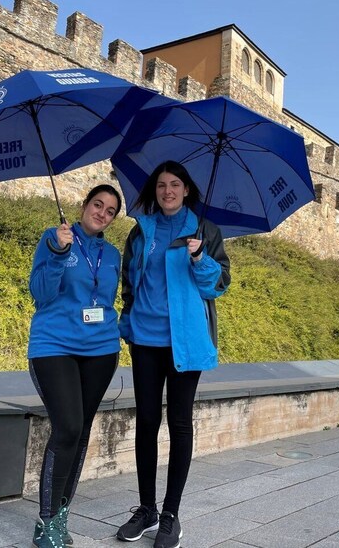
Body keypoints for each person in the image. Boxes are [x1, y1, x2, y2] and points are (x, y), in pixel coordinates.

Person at [115, 161, 230, 548]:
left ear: (186, 190)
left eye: (175, 184)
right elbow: (129, 281)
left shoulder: (204, 231)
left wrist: (200, 258)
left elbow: (218, 286)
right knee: (147, 421)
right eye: (161, 185)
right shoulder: (140, 231)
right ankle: (146, 509)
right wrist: (127, 321)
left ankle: (171, 515)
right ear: (154, 190)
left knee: (179, 423)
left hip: (186, 341)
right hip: (145, 339)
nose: (168, 191)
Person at [27, 184, 123, 548]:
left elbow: (110, 298)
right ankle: (47, 521)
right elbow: (40, 293)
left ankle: (63, 512)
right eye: (97, 204)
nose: (102, 212)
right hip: (54, 346)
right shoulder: (54, 239)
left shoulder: (112, 254)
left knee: (81, 431)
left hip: (100, 350)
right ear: (84, 206)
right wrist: (58, 253)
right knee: (66, 427)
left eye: (110, 210)